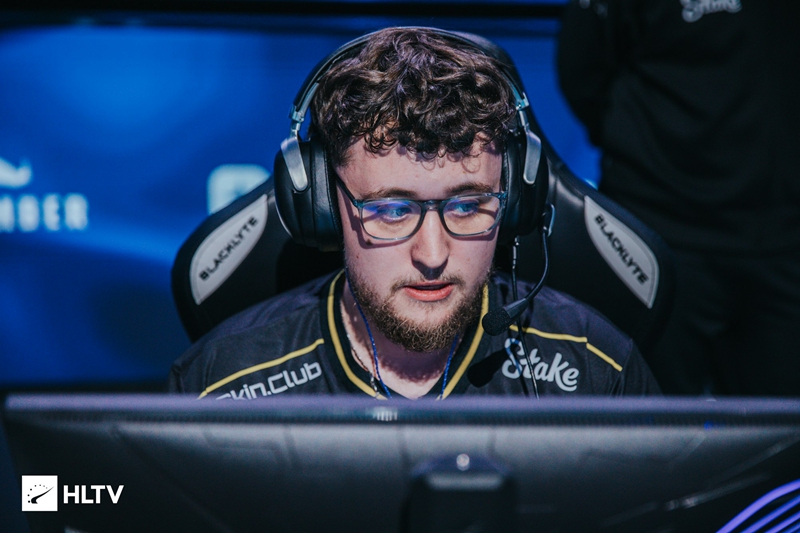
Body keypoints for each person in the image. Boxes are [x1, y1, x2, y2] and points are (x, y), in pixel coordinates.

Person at [169, 27, 660, 400]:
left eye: (467, 206)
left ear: (514, 201)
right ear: (323, 206)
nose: (432, 254)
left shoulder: (599, 372)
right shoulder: (221, 384)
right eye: (392, 209)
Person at [557, 1, 800, 396]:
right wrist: (639, 146)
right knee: (649, 419)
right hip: (657, 233)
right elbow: (582, 69)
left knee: (781, 426)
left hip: (784, 238)